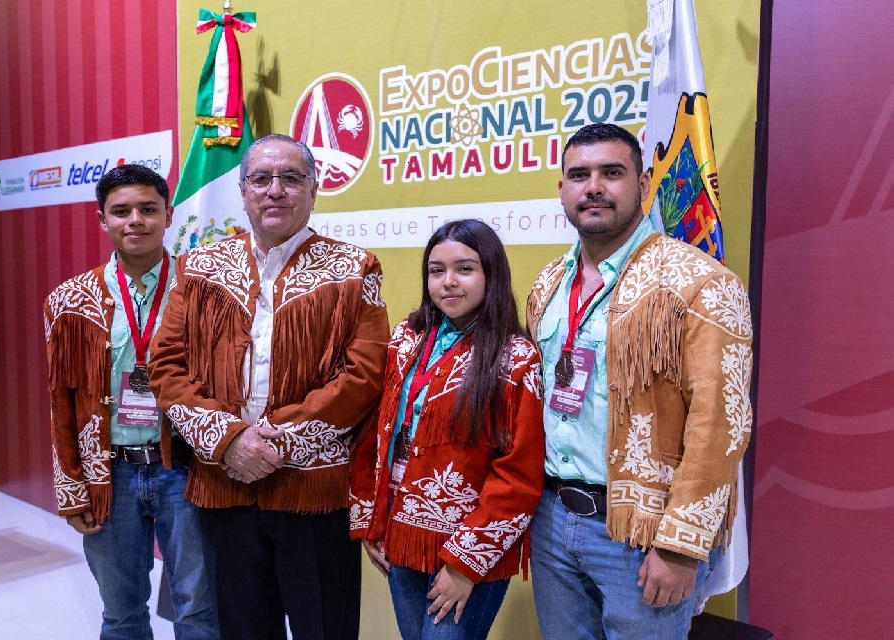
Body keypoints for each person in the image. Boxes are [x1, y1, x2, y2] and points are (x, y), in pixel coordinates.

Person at [147, 134, 390, 640]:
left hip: (314, 491)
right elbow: (166, 364)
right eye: (260, 179)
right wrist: (229, 439)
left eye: (290, 178)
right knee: (242, 630)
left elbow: (363, 375)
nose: (274, 190)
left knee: (324, 629)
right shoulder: (199, 267)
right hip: (225, 486)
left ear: (313, 190)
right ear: (243, 191)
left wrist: (278, 443)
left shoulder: (355, 269)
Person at [525, 123, 753, 640]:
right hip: (552, 519)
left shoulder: (701, 283)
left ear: (644, 184)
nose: (594, 187)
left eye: (612, 172)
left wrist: (681, 546)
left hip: (642, 533)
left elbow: (721, 424)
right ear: (562, 189)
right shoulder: (548, 283)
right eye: (579, 175)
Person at [43, 164, 218, 640]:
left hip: (187, 469)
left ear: (168, 215)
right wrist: (71, 486)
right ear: (102, 220)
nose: (135, 220)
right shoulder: (69, 301)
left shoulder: (204, 292)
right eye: (121, 211)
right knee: (121, 614)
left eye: (148, 209)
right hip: (110, 474)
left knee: (199, 610)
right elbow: (62, 400)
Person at [349, 219, 546, 640]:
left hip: (469, 549)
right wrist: (371, 521)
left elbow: (519, 473)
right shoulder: (407, 337)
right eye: (436, 271)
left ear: (491, 274)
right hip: (400, 537)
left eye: (465, 269)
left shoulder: (516, 357)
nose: (448, 282)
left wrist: (464, 567)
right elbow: (377, 433)